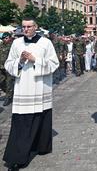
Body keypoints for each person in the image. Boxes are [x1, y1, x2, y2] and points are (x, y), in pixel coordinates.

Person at [3, 17, 59, 170]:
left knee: (40, 117)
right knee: (22, 123)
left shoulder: (46, 43)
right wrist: (20, 62)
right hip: (24, 88)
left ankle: (41, 146)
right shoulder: (16, 43)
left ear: (36, 27)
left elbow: (55, 63)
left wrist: (35, 60)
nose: (25, 29)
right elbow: (8, 64)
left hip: (41, 87)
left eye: (29, 26)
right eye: (23, 27)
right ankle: (17, 157)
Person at [0, 32, 14, 106]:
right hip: (1, 67)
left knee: (9, 83)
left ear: (9, 37)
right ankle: (10, 93)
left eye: (6, 38)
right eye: (3, 38)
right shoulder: (1, 45)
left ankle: (8, 97)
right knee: (1, 82)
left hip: (9, 67)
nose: (4, 40)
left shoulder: (13, 45)